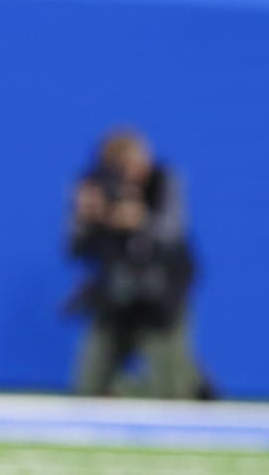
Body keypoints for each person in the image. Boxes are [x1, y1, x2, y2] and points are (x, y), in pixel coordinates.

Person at [64, 129, 203, 399]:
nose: (135, 171)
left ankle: (192, 384)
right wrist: (86, 218)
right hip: (115, 295)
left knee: (172, 392)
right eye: (126, 166)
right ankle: (118, 392)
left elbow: (172, 233)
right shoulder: (94, 187)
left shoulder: (163, 182)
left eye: (140, 161)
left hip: (160, 297)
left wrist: (140, 221)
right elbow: (75, 249)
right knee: (88, 389)